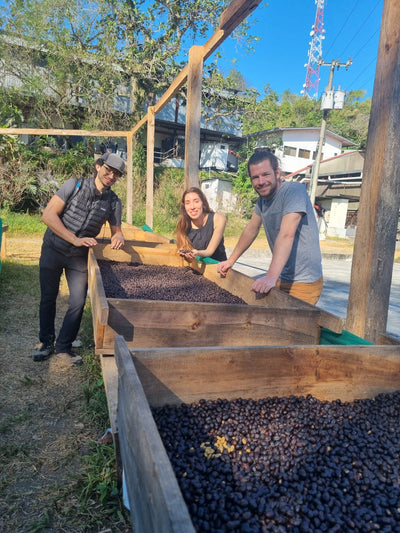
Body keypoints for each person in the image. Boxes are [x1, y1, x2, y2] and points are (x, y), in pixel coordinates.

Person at [32, 153, 125, 365]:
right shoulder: (74, 185)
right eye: (108, 170)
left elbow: (116, 231)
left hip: (79, 256)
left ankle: (64, 347)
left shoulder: (113, 202)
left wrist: (118, 236)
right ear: (98, 166)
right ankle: (46, 342)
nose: (111, 176)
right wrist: (74, 239)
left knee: (77, 301)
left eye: (116, 174)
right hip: (53, 249)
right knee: (48, 296)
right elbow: (48, 216)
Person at [217, 150, 323, 305]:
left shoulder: (293, 191)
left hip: (304, 282)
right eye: (255, 177)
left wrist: (270, 277)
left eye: (265, 174)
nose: (261, 181)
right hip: (281, 278)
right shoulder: (262, 200)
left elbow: (287, 234)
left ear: (277, 173)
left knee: (289, 328)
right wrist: (231, 260)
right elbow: (251, 229)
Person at [176, 186, 227, 262]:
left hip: (218, 266)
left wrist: (197, 253)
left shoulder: (218, 219)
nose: (192, 207)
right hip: (196, 267)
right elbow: (188, 259)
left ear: (203, 203)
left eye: (196, 201)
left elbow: (209, 251)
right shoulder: (183, 225)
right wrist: (187, 255)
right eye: (188, 203)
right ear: (184, 207)